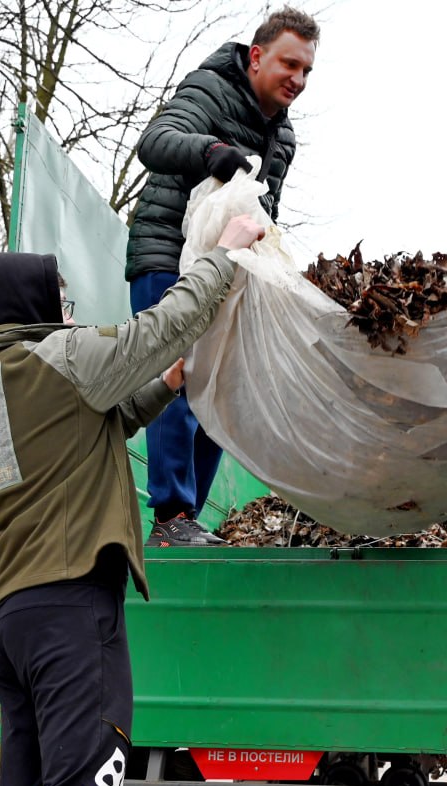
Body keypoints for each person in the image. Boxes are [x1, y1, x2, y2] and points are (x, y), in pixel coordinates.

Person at [0, 214, 265, 786]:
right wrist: (221, 257)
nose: (68, 311)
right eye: (58, 299)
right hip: (70, 608)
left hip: (9, 618)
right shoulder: (60, 354)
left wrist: (162, 387)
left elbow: (91, 426)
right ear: (31, 307)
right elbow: (153, 328)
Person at [124, 6, 320, 547]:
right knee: (176, 376)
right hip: (166, 254)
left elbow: (263, 213)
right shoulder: (210, 87)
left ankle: (190, 523)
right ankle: (170, 516)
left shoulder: (283, 138)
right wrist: (213, 152)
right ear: (257, 57)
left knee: (220, 392)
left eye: (306, 71)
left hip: (227, 272)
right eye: (289, 64)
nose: (297, 80)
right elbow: (155, 142)